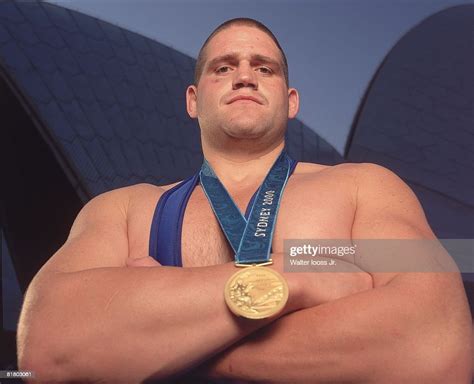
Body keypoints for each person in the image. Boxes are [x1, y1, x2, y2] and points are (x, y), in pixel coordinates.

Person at [17, 18, 471, 383]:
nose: (245, 76)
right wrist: (293, 275)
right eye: (223, 67)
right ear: (193, 100)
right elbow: (44, 349)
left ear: (290, 101)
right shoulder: (124, 209)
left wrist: (154, 346)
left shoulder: (366, 187)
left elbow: (437, 347)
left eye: (264, 68)